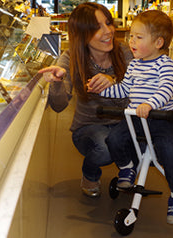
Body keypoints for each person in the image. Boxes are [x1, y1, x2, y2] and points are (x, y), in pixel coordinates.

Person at [88, 10, 173, 225]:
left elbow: (168, 89)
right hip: (135, 119)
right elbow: (124, 89)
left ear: (158, 42)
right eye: (131, 35)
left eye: (138, 37)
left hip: (161, 120)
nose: (130, 41)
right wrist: (103, 91)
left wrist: (150, 104)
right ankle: (127, 167)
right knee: (114, 138)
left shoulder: (166, 65)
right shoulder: (133, 65)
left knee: (171, 153)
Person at [38, 2, 133, 198]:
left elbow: (136, 99)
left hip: (124, 124)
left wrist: (113, 85)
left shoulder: (124, 53)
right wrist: (57, 81)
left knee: (147, 147)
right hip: (88, 128)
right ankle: (90, 173)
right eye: (97, 27)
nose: (108, 31)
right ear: (82, 33)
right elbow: (58, 106)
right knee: (105, 148)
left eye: (108, 23)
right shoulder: (71, 57)